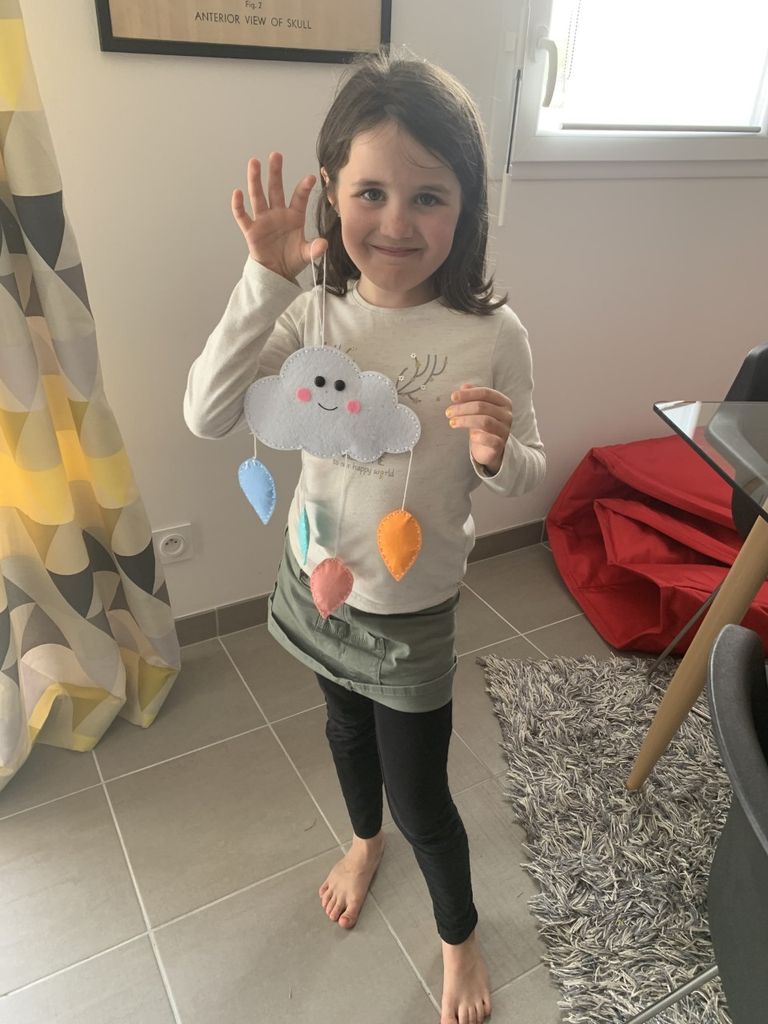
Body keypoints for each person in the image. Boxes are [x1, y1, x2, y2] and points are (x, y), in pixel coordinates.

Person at [184, 51, 545, 1024]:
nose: (396, 222)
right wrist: (262, 279)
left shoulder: (492, 333)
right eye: (372, 192)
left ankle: (458, 936)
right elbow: (207, 414)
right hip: (319, 582)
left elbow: (527, 466)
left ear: (467, 207)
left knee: (423, 797)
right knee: (343, 731)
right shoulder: (310, 309)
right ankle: (361, 838)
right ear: (332, 192)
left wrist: (495, 453)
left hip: (411, 607)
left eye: (429, 197)